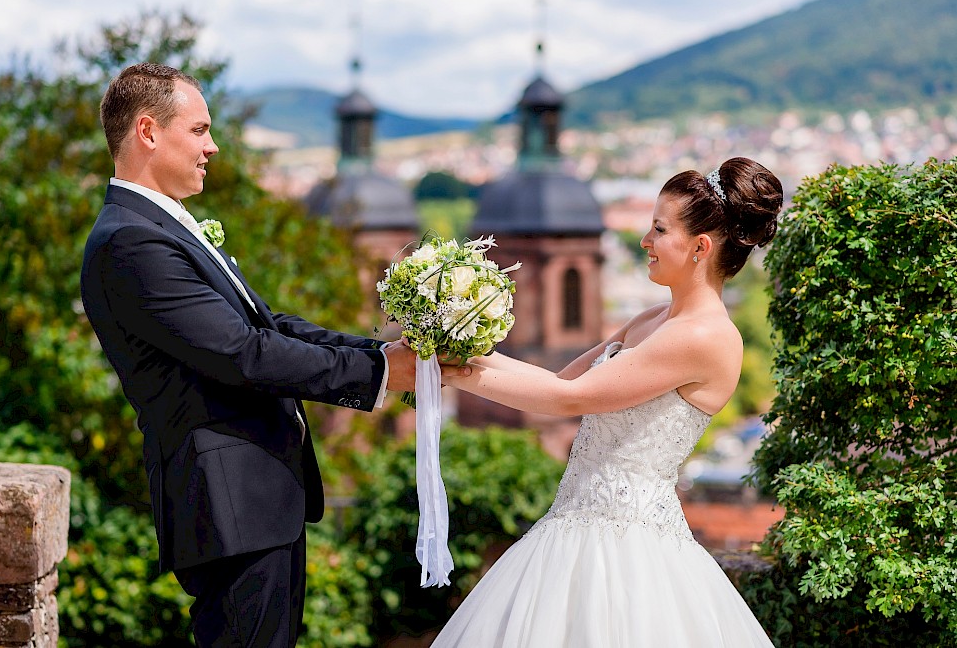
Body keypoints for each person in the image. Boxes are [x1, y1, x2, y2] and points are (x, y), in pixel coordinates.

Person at [80, 62, 417, 647]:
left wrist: (379, 350)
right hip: (230, 507)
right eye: (200, 130)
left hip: (260, 502)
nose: (212, 147)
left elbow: (269, 325)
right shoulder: (131, 241)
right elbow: (244, 354)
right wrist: (379, 371)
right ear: (148, 132)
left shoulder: (162, 227)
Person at [435, 157, 782, 647]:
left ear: (700, 247)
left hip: (628, 546)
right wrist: (455, 354)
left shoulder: (704, 337)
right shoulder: (652, 318)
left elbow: (567, 398)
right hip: (571, 525)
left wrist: (459, 375)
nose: (645, 241)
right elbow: (558, 378)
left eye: (659, 229)